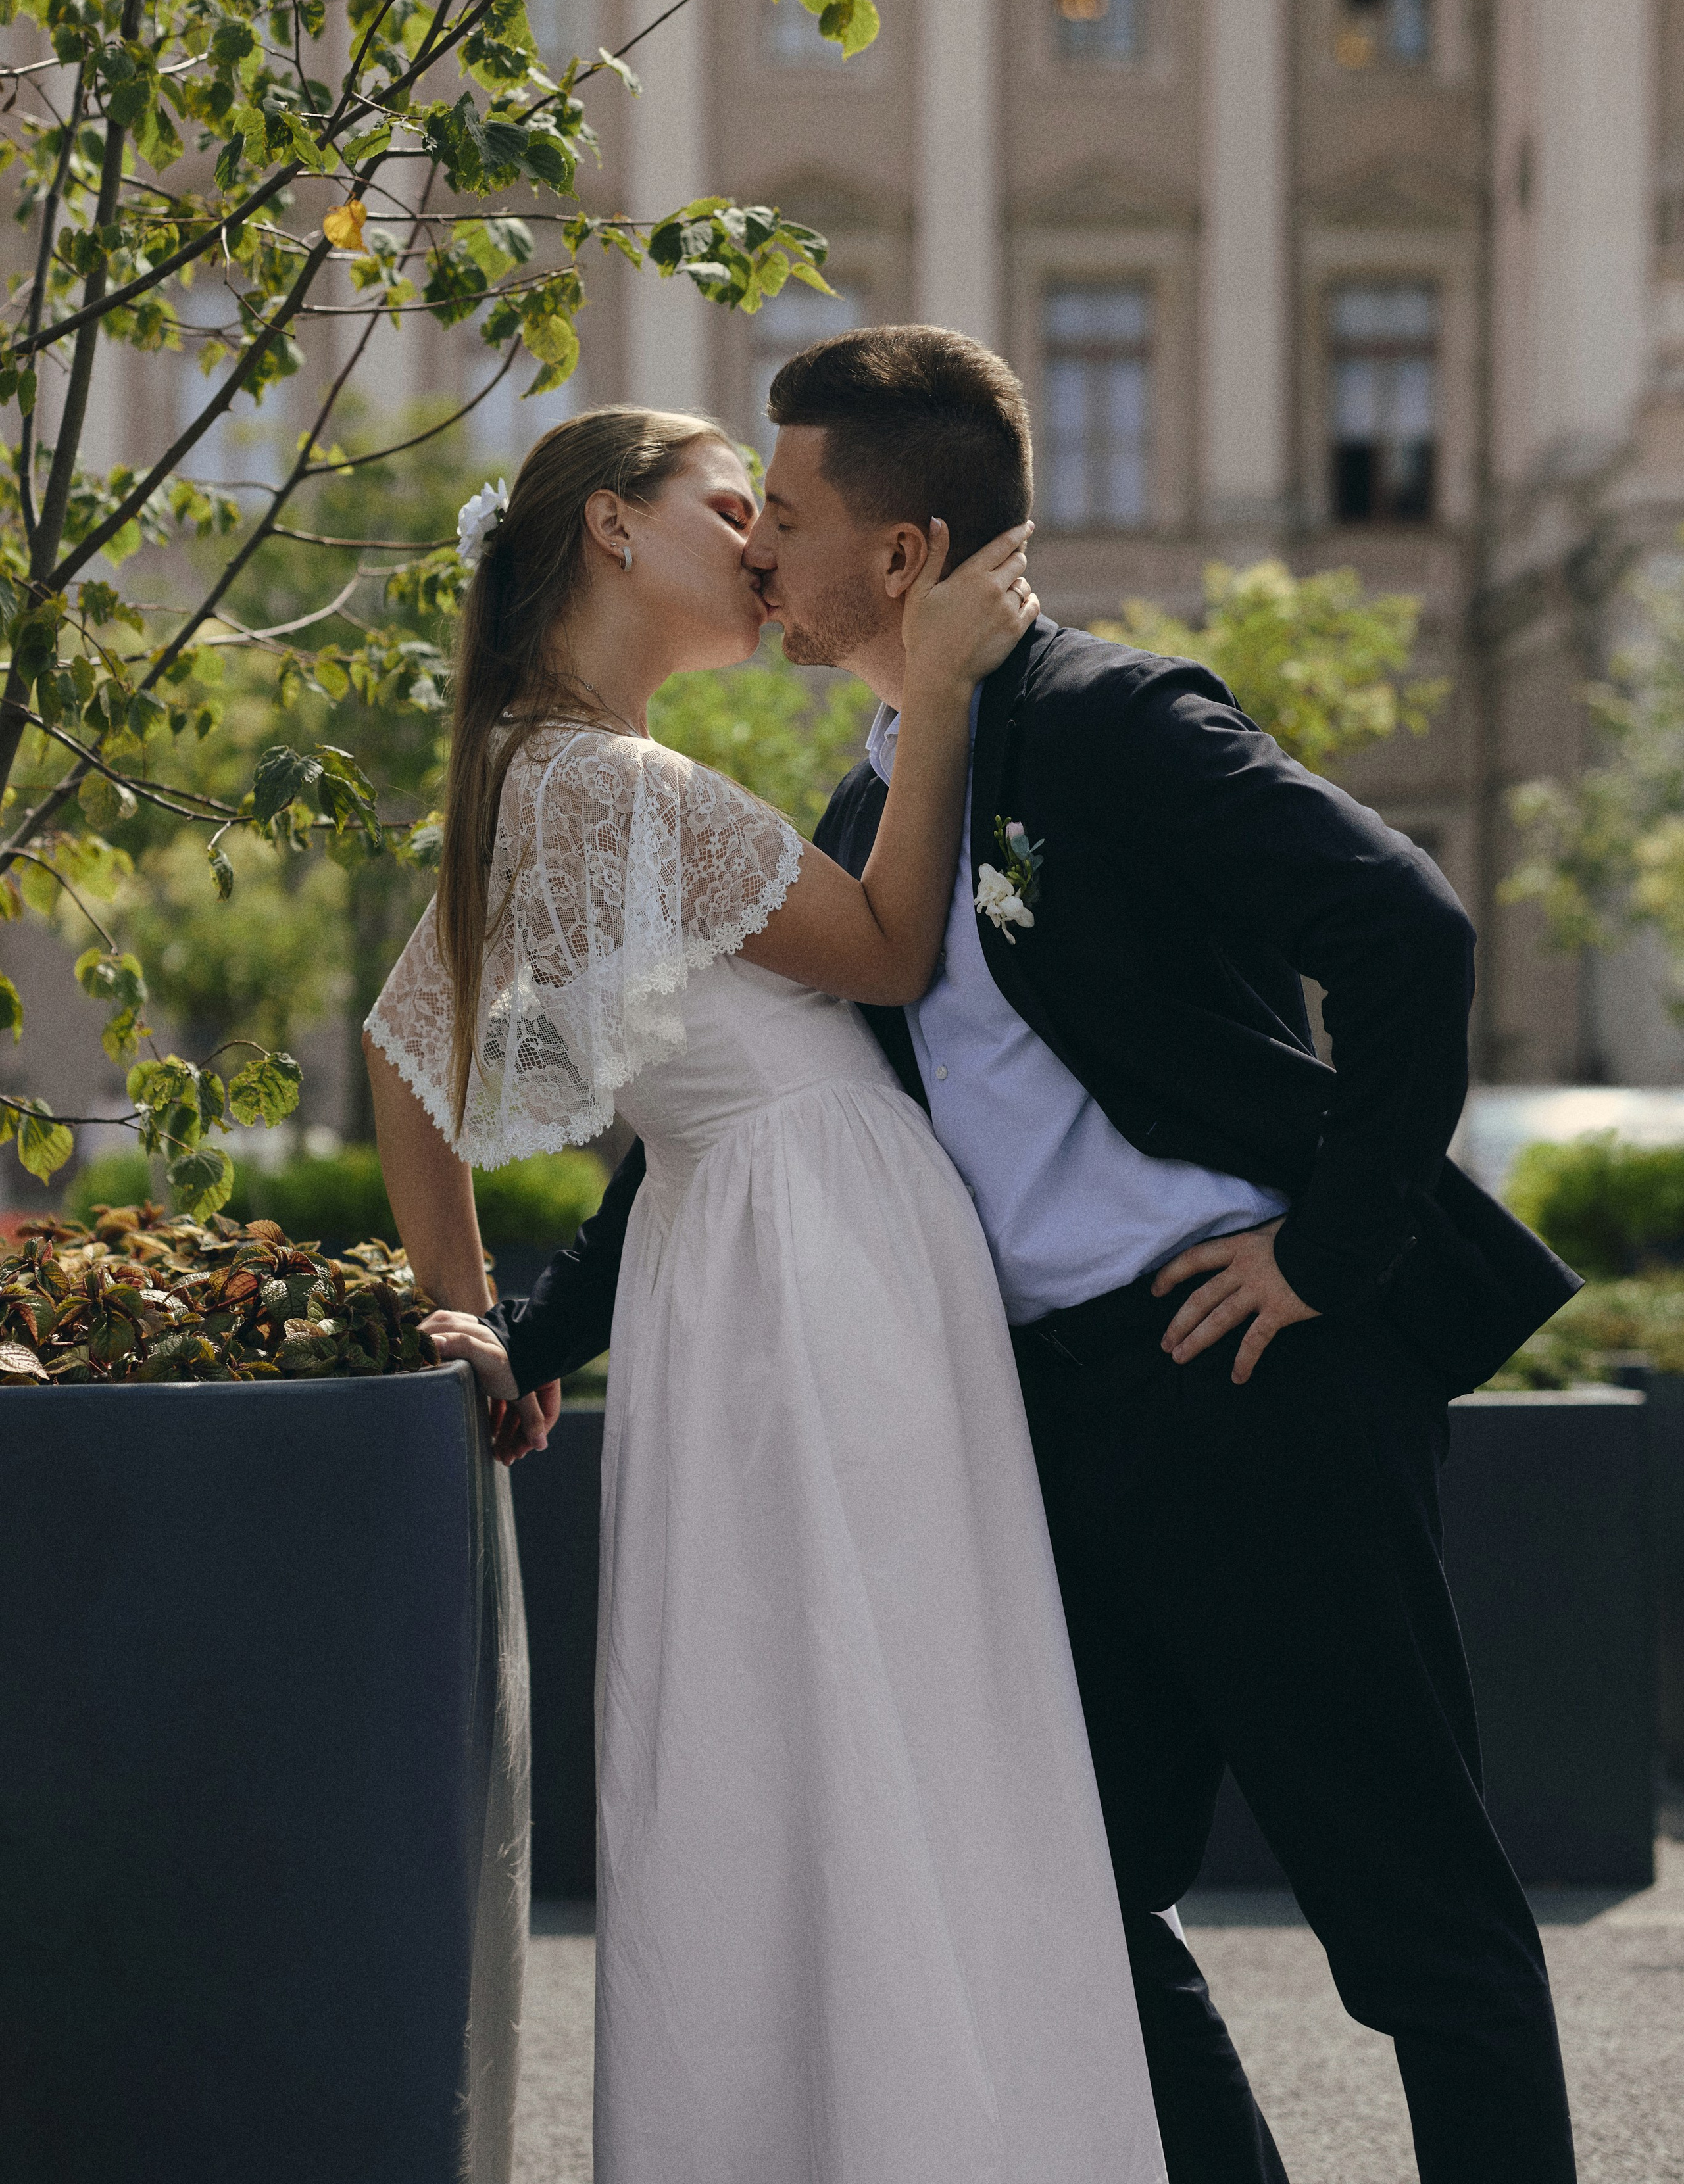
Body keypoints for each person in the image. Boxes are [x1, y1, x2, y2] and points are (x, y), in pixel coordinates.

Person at [497, 331, 1585, 2184]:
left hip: (1262, 1389)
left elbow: (1410, 932)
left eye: (798, 513)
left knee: (1415, 1930)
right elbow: (728, 1120)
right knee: (1075, 1909)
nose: (760, 552)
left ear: (906, 560)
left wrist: (1330, 1258)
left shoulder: (1111, 722)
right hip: (1050, 1439)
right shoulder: (871, 821)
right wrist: (537, 1339)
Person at [362, 404, 1169, 2184]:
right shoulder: (614, 783)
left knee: (798, 1731)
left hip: (754, 1272)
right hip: (820, 1276)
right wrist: (943, 684)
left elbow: (400, 1061)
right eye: (726, 504)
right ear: (609, 534)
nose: (757, 540)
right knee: (892, 1725)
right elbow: (888, 946)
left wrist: (482, 1313)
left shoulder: (533, 772)